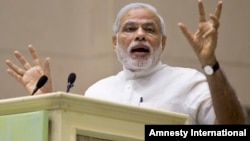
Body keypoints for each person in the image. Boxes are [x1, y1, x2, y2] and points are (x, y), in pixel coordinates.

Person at [5, 0, 246, 124]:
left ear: (162, 42)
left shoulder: (190, 82)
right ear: (114, 42)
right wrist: (46, 100)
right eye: (130, 28)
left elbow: (233, 128)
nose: (139, 34)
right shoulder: (97, 91)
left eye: (149, 29)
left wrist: (210, 63)